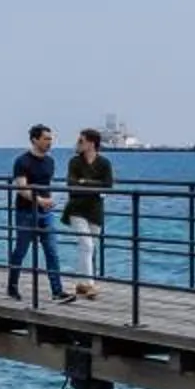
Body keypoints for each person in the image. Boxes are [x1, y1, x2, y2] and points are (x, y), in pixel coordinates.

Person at [5, 123, 69, 303]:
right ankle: (12, 287)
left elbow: (45, 185)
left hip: (46, 213)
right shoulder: (22, 161)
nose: (50, 142)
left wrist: (48, 201)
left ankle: (57, 290)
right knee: (21, 250)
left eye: (50, 139)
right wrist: (40, 200)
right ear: (35, 140)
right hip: (26, 211)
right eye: (46, 139)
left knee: (52, 251)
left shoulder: (50, 161)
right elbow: (22, 188)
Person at [64, 127, 113, 301]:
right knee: (87, 244)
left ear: (91, 143)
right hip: (76, 208)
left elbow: (108, 185)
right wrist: (93, 186)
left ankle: (81, 283)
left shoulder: (104, 163)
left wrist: (85, 182)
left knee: (90, 247)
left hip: (95, 210)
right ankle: (91, 285)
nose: (79, 143)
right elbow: (71, 183)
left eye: (82, 140)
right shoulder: (74, 162)